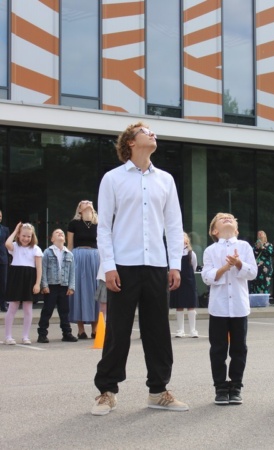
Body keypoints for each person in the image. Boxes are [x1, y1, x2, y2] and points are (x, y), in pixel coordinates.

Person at [92, 121, 188, 416]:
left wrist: (175, 265)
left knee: (158, 331)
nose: (153, 134)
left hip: (157, 264)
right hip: (123, 265)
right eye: (146, 131)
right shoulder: (112, 178)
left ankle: (158, 391)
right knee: (117, 331)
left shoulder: (166, 180)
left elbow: (174, 225)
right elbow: (104, 227)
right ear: (130, 143)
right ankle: (107, 392)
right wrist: (108, 266)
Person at [201, 213, 257, 405]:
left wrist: (239, 263)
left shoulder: (244, 247)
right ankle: (220, 387)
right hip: (219, 307)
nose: (226, 217)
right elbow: (207, 277)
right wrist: (225, 267)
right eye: (222, 217)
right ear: (214, 231)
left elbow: (253, 272)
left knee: (239, 348)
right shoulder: (210, 250)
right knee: (218, 349)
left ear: (237, 229)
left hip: (239, 307)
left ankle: (236, 386)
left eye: (231, 217)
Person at [3, 223, 42, 345]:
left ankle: (25, 336)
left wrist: (37, 284)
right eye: (23, 236)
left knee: (28, 309)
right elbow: (7, 244)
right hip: (16, 278)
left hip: (29, 279)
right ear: (19, 235)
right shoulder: (15, 246)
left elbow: (39, 268)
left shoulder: (36, 249)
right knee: (12, 307)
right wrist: (15, 230)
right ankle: (8, 336)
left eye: (29, 236)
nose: (26, 238)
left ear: (32, 236)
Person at [37, 229, 78, 343]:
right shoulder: (47, 252)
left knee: (64, 311)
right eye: (57, 233)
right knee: (47, 310)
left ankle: (67, 333)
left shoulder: (69, 254)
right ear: (52, 239)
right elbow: (43, 269)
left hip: (64, 286)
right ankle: (42, 334)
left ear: (65, 239)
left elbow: (72, 272)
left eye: (62, 233)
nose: (60, 233)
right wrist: (44, 285)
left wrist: (71, 286)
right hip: (51, 286)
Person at [67, 200, 100, 339]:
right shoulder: (74, 224)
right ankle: (80, 329)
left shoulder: (98, 224)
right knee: (79, 291)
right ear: (79, 209)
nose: (87, 203)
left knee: (95, 290)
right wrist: (68, 261)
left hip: (95, 257)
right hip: (79, 256)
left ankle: (95, 328)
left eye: (89, 202)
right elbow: (70, 245)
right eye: (84, 202)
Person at [170, 232, 199, 338]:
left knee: (191, 305)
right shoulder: (174, 254)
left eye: (183, 237)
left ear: (187, 240)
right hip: (178, 281)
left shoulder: (191, 253)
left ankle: (193, 330)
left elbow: (194, 266)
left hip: (189, 281)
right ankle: (180, 330)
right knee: (179, 305)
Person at [0, 210, 10, 312]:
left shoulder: (5, 230)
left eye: (0, 216)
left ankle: (3, 304)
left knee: (3, 283)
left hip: (2, 259)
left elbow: (8, 244)